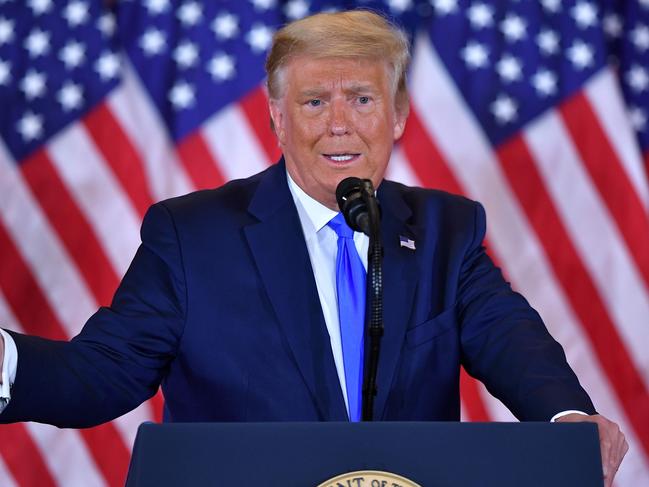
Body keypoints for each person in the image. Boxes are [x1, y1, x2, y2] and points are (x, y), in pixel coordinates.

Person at [0, 9, 627, 486]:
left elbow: (513, 344)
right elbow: (102, 373)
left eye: (361, 99)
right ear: (277, 116)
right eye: (314, 101)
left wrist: (567, 423)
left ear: (398, 114)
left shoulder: (445, 230)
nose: (339, 124)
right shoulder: (192, 236)